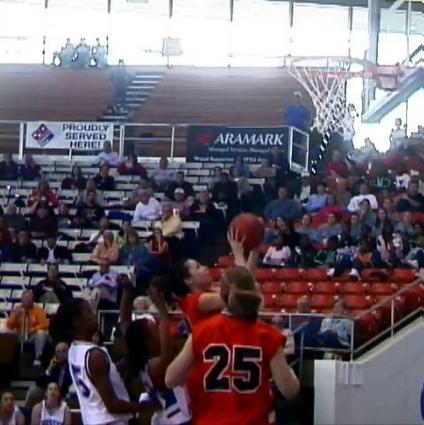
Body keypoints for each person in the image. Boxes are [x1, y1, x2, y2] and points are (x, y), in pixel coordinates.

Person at [165, 266, 300, 425]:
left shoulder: (201, 331)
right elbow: (290, 390)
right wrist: (290, 371)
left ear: (222, 293)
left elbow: (170, 379)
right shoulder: (268, 335)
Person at [52, 298, 146, 424]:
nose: (94, 314)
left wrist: (123, 364)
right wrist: (150, 406)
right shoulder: (95, 355)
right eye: (88, 311)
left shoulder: (73, 350)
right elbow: (113, 406)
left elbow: (96, 375)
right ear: (77, 322)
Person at [119, 283, 192, 425]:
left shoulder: (142, 360)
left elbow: (125, 323)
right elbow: (167, 354)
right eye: (156, 330)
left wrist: (127, 291)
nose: (160, 331)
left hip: (169, 416)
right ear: (148, 341)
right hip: (177, 418)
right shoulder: (155, 366)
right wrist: (161, 308)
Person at [7, 290, 49, 366]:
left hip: (31, 336)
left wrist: (33, 329)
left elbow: (45, 325)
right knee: (7, 335)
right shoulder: (17, 309)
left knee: (41, 333)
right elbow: (9, 325)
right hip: (19, 335)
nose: (28, 299)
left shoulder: (38, 310)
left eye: (30, 298)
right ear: (22, 299)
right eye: (26, 297)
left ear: (33, 300)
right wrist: (15, 315)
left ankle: (38, 358)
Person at [25, 342, 72, 407]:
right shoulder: (53, 365)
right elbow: (39, 382)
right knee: (33, 391)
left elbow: (69, 384)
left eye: (63, 351)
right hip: (51, 392)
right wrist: (49, 368)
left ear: (69, 352)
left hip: (65, 393)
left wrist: (58, 390)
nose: (61, 354)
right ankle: (26, 411)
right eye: (58, 352)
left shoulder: (72, 365)